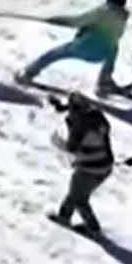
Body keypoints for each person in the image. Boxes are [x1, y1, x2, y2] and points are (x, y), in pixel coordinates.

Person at [16, 0, 131, 96]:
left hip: (82, 47)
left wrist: (57, 20)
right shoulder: (122, 20)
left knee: (52, 55)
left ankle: (28, 74)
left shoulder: (102, 11)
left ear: (110, 0)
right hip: (100, 55)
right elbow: (118, 36)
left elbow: (76, 22)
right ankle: (104, 81)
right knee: (114, 47)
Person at [47, 92, 119, 237]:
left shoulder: (80, 124)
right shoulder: (98, 118)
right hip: (105, 167)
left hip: (90, 169)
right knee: (76, 192)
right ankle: (64, 216)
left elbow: (72, 147)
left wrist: (57, 142)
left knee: (79, 199)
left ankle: (93, 229)